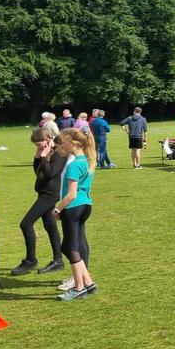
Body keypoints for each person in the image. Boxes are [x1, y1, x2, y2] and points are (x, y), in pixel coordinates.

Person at [11, 128, 67, 276]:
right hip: (43, 192)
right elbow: (38, 172)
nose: (39, 147)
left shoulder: (60, 153)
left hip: (50, 195)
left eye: (39, 144)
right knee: (50, 226)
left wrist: (43, 157)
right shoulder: (45, 152)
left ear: (48, 139)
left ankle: (31, 260)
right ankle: (58, 261)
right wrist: (38, 157)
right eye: (36, 145)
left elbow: (50, 173)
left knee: (25, 223)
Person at [52, 128, 97, 300]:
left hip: (74, 208)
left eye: (64, 142)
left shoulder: (74, 165)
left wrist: (58, 208)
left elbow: (71, 194)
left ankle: (79, 288)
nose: (62, 144)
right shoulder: (87, 160)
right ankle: (88, 283)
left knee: (70, 247)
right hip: (85, 206)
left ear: (74, 143)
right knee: (71, 246)